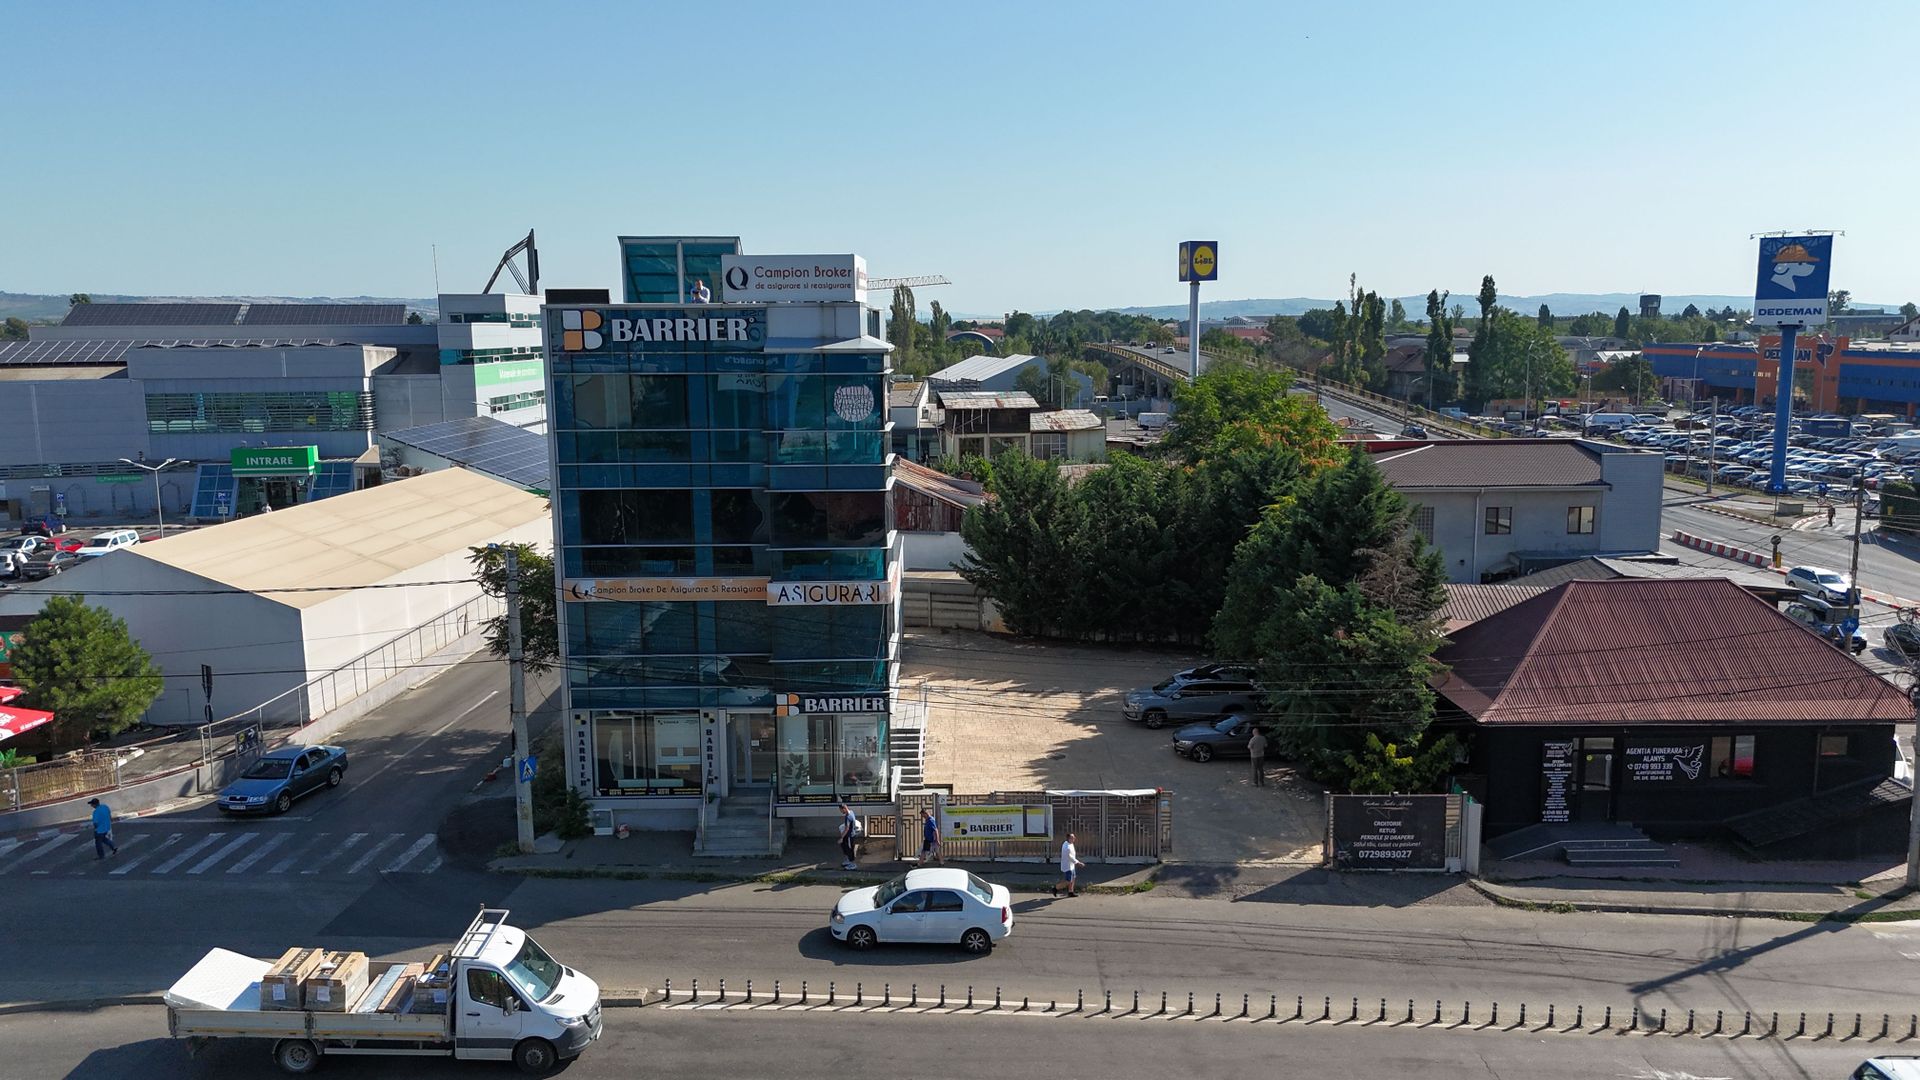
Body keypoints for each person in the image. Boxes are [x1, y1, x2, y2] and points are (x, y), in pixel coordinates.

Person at [1051, 833, 1085, 898]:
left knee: (1073, 878)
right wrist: (1078, 863)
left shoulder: (1070, 843)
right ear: (1069, 839)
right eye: (1073, 837)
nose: (1074, 838)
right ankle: (1055, 888)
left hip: (1072, 865)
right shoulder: (1066, 847)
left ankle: (1070, 892)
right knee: (1068, 881)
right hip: (1068, 866)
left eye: (1074, 837)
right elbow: (1070, 857)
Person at [836, 802, 859, 870]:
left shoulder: (848, 817)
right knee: (845, 847)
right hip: (849, 835)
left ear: (844, 809)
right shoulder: (851, 812)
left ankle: (853, 864)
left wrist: (841, 838)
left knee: (849, 849)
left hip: (849, 836)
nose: (841, 812)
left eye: (841, 810)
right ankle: (848, 861)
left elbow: (847, 829)